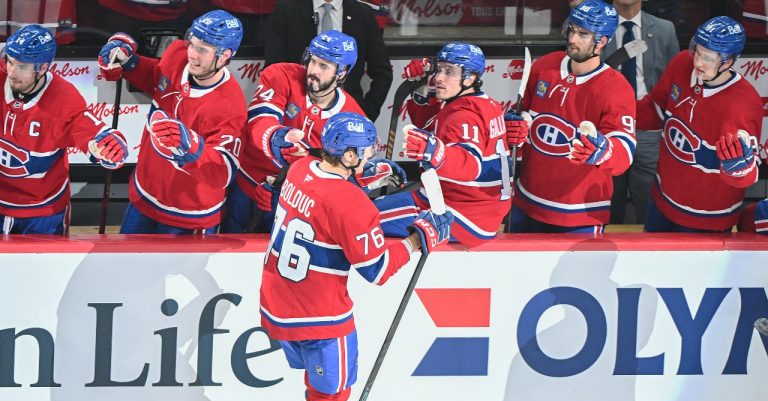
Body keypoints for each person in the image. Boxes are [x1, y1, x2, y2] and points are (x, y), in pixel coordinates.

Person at [259, 111, 453, 401]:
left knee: (323, 394)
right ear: (348, 154)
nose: (368, 155)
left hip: (276, 304)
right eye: (363, 151)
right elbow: (377, 271)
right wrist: (420, 238)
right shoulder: (351, 205)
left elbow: (326, 205)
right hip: (319, 318)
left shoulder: (299, 168)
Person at [224, 30, 404, 234]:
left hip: (294, 201)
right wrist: (276, 138)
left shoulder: (353, 118)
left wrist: (362, 175)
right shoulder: (281, 75)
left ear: (342, 73)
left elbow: (340, 175)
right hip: (247, 184)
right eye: (313, 61)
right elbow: (260, 120)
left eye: (324, 66)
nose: (313, 70)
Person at [98, 9, 247, 234]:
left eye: (203, 50)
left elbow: (223, 172)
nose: (193, 54)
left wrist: (192, 146)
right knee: (126, 268)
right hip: (144, 196)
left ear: (225, 55)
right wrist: (128, 62)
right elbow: (157, 78)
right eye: (192, 44)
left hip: (188, 214)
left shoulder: (231, 106)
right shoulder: (177, 53)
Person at [505, 0, 636, 233]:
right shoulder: (546, 65)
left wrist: (605, 151)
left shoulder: (617, 88)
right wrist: (513, 126)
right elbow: (521, 113)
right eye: (572, 30)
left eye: (583, 34)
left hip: (579, 214)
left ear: (601, 42)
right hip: (527, 200)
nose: (573, 39)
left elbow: (624, 151)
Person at [373, 42, 510, 248]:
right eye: (440, 68)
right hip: (478, 208)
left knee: (361, 218)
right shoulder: (482, 102)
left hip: (457, 215)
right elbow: (435, 124)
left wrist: (438, 153)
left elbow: (471, 164)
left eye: (450, 71)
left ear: (470, 78)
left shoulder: (464, 116)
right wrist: (423, 89)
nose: (439, 77)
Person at [637, 16, 763, 233]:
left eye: (708, 58)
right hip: (662, 200)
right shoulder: (681, 64)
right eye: (697, 51)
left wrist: (741, 168)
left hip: (707, 217)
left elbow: (747, 175)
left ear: (729, 61)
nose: (697, 63)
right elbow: (654, 110)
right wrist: (614, 111)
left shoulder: (743, 104)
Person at [0, 24, 128, 234]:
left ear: (42, 68)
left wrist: (105, 143)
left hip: (41, 210)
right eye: (10, 62)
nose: (12, 72)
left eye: (22, 66)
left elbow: (87, 129)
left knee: (44, 267)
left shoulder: (63, 98)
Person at [604, 0, 678, 225]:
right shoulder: (596, 26)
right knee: (607, 199)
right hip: (607, 126)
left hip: (649, 129)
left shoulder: (665, 29)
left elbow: (676, 81)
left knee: (649, 200)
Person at [265, 0, 393, 121]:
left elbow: (382, 72)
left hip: (347, 118)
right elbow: (273, 69)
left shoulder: (363, 13)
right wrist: (281, 111)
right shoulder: (287, 8)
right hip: (296, 116)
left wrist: (366, 114)